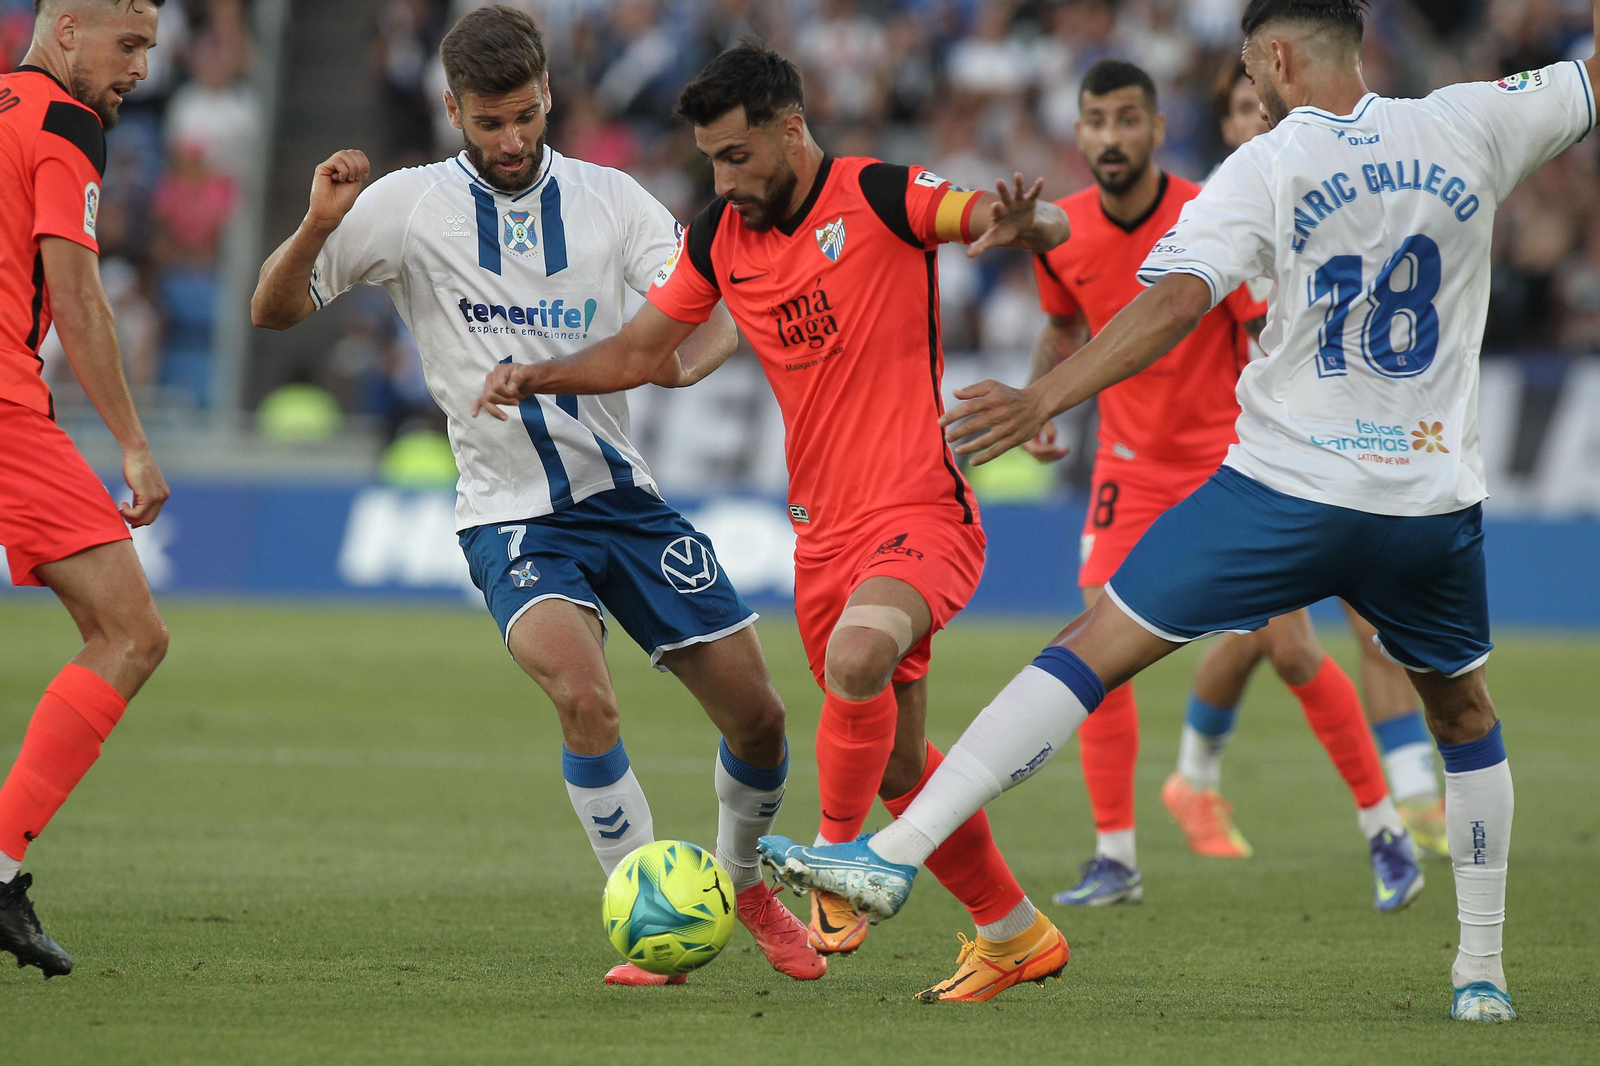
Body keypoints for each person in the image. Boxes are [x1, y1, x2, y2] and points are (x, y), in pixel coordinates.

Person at [760, 0, 1595, 1023]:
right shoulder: (1472, 119)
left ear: (1277, 56)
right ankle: (1480, 972)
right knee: (1463, 713)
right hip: (1425, 503)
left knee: (1089, 646)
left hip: (1284, 491)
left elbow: (1167, 304)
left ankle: (894, 851)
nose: (1255, 86)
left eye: (1253, 66)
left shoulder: (1265, 166)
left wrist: (1040, 397)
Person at [474, 41, 1075, 1002]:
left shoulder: (877, 194)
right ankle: (1013, 932)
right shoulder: (722, 239)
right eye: (712, 160)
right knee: (900, 766)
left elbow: (974, 215)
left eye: (737, 157)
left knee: (856, 659)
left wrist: (1021, 221)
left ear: (791, 131)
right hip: (823, 535)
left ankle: (835, 863)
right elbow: (645, 349)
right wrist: (536, 374)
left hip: (922, 506)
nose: (723, 179)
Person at [250, 6, 823, 989]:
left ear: (548, 94)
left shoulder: (614, 202)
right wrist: (316, 224)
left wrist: (692, 363)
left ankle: (741, 888)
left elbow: (706, 308)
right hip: (508, 515)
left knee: (761, 720)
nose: (510, 140)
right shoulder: (406, 205)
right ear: (452, 111)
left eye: (524, 116)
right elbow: (273, 309)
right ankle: (648, 916)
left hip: (626, 505)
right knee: (583, 696)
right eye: (488, 123)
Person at [1026, 57, 1421, 914]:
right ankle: (1115, 857)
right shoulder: (1066, 232)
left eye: (1128, 120)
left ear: (1158, 129)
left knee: (1290, 648)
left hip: (1227, 463)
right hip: (1127, 471)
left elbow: (1268, 335)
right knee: (1096, 641)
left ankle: (1385, 829)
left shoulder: (1214, 211)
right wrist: (1042, 399)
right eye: (1096, 121)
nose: (1111, 137)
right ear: (1080, 131)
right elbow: (1063, 322)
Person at [1159, 62, 1448, 863]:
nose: (1259, 118)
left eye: (1265, 105)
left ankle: (1413, 797)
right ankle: (1202, 780)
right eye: (1243, 110)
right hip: (1252, 449)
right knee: (1280, 640)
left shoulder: (1324, 186)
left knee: (1360, 622)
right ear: (1226, 126)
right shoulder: (1231, 201)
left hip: (1329, 440)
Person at [0, 0, 172, 979]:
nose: (141, 68)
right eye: (129, 43)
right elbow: (75, 292)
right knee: (130, 631)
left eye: (148, 46)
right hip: (5, 406)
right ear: (66, 27)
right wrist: (133, 446)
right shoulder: (67, 124)